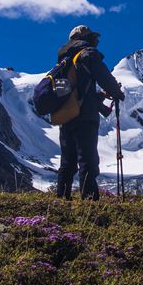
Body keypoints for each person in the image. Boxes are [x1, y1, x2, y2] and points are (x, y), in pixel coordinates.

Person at [55, 25, 125, 201]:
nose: (97, 40)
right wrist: (116, 92)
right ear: (84, 37)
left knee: (68, 161)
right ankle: (90, 201)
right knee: (88, 160)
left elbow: (77, 89)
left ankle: (62, 199)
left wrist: (98, 96)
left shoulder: (65, 59)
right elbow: (104, 76)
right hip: (84, 118)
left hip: (66, 114)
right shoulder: (87, 54)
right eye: (93, 37)